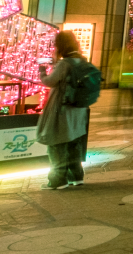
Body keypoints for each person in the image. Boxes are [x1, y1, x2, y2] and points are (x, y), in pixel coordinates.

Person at [36, 31, 101, 189]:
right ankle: (76, 176)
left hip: (62, 109)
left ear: (60, 46)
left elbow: (50, 81)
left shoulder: (65, 64)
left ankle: (58, 180)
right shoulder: (82, 61)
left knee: (56, 143)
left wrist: (42, 71)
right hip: (78, 109)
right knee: (73, 143)